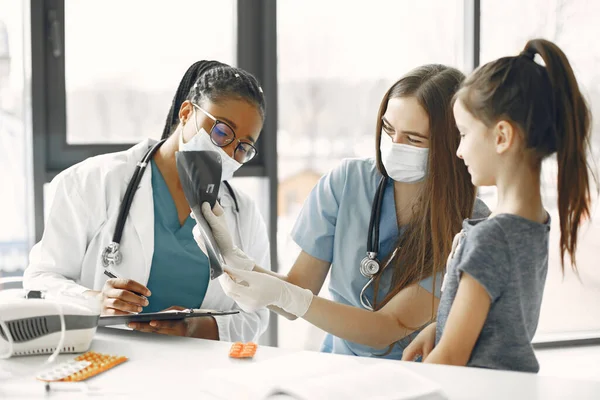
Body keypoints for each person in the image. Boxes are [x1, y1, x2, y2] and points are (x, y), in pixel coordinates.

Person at [197, 64, 491, 359]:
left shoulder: (472, 224)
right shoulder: (347, 182)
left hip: (415, 374)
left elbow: (389, 326)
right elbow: (298, 291)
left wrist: (287, 296)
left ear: (453, 143)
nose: (395, 146)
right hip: (339, 367)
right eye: (389, 130)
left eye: (414, 139)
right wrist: (234, 258)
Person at [23, 60, 271, 342]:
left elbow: (255, 315)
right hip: (106, 364)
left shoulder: (244, 214)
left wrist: (194, 327)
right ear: (187, 113)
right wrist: (94, 300)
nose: (229, 152)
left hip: (198, 372)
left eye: (243, 147)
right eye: (222, 132)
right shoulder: (92, 182)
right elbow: (39, 281)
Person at [401, 39, 595, 372]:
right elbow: (500, 318)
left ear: (502, 136)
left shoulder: (492, 238)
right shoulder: (534, 222)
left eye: (463, 134)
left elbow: (450, 359)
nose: (459, 151)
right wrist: (440, 327)